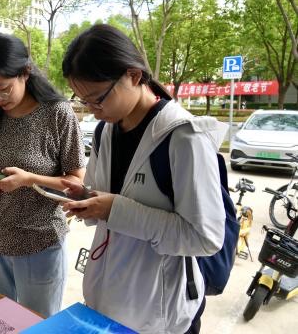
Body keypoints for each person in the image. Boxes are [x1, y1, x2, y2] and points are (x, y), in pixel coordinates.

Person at [59, 24, 227, 333]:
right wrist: (85, 198)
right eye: (84, 101)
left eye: (98, 99)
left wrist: (114, 209)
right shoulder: (105, 131)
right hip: (107, 299)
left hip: (159, 313)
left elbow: (205, 238)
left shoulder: (183, 138)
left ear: (134, 76)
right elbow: (104, 200)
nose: (94, 112)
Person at [0, 33, 86, 317]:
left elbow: (76, 183)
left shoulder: (57, 113)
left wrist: (29, 179)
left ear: (25, 73)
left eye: (3, 88)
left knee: (38, 322)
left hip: (40, 241)